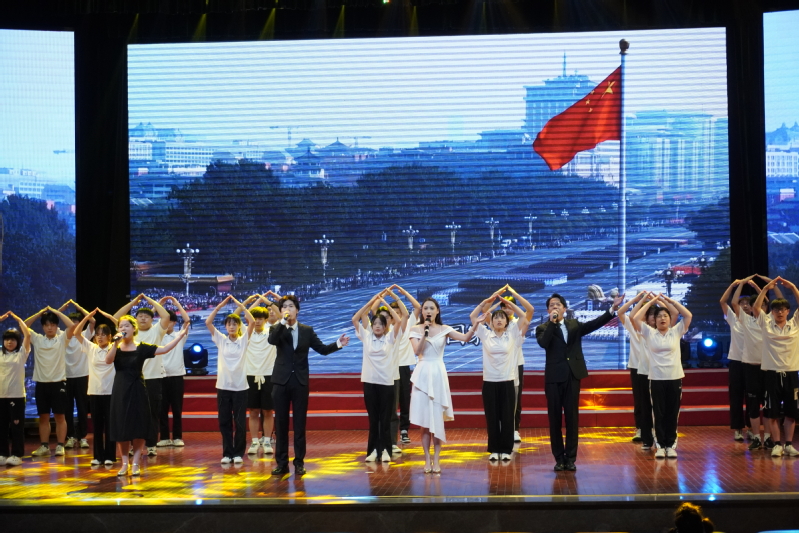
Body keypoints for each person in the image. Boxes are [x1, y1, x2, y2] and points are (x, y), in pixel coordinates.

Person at [536, 292, 622, 471]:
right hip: (553, 378)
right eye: (551, 305)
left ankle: (570, 458)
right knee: (554, 419)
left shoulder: (574, 324)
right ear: (548, 310)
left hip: (572, 375)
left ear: (565, 309)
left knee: (572, 418)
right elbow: (544, 343)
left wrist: (612, 308)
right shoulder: (542, 328)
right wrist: (552, 323)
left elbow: (594, 324)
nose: (555, 307)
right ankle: (559, 458)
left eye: (558, 305)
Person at [268, 294, 349, 476]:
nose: (288, 309)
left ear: (297, 310)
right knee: (280, 424)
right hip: (280, 382)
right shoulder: (276, 328)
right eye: (284, 307)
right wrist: (282, 322)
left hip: (300, 382)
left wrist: (338, 343)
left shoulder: (307, 330)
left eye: (291, 306)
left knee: (299, 424)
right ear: (281, 311)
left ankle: (299, 462)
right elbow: (272, 340)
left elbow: (322, 349)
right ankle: (281, 463)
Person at [108, 315, 188, 476]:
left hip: (138, 388)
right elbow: (108, 361)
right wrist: (115, 344)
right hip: (120, 390)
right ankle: (124, 463)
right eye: (121, 326)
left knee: (139, 426)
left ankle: (136, 463)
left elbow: (164, 349)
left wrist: (180, 336)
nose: (123, 329)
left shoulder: (142, 347)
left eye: (126, 326)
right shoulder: (115, 347)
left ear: (134, 328)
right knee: (121, 427)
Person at [409, 297, 475, 473]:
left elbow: (465, 338)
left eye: (432, 308)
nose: (428, 311)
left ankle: (437, 460)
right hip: (422, 374)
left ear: (437, 311)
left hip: (438, 373)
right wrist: (425, 333)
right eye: (425, 308)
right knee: (424, 421)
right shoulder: (415, 329)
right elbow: (417, 351)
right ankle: (427, 459)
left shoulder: (444, 329)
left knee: (437, 419)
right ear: (422, 311)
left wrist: (476, 325)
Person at [470, 289, 530, 461]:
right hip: (489, 382)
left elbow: (524, 317)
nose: (498, 320)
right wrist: (485, 302)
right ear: (491, 321)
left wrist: (509, 303)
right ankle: (494, 449)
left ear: (506, 321)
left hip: (507, 381)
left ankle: (506, 449)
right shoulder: (485, 334)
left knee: (507, 417)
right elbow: (473, 316)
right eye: (495, 317)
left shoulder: (512, 334)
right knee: (492, 417)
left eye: (502, 317)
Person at [633, 293, 692, 459]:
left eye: (665, 316)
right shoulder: (649, 333)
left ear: (670, 319)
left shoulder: (676, 331)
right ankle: (660, 445)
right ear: (655, 320)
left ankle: (670, 445)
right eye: (659, 316)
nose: (662, 319)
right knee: (658, 414)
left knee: (672, 413)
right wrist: (651, 301)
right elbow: (636, 318)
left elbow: (688, 315)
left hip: (674, 377)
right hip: (656, 378)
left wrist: (670, 301)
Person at [353, 291, 408, 462]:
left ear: (385, 327)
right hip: (370, 382)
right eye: (375, 323)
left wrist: (385, 303)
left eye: (380, 324)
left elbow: (398, 320)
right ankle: (372, 451)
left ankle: (386, 451)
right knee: (373, 419)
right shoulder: (367, 336)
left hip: (386, 383)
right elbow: (356, 318)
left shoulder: (391, 338)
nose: (377, 326)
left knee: (385, 419)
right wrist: (371, 302)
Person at [114, 293, 170, 457]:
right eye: (140, 316)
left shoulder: (157, 331)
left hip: (153, 379)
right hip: (132, 380)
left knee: (152, 413)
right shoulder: (130, 333)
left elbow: (166, 316)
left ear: (152, 319)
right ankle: (133, 445)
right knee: (131, 413)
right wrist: (133, 302)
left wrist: (151, 301)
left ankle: (151, 445)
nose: (143, 318)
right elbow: (116, 317)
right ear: (135, 320)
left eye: (147, 316)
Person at [752, 276, 799, 457]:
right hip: (771, 374)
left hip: (791, 373)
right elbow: (756, 308)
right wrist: (766, 288)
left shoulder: (795, 324)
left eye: (783, 309)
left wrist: (792, 287)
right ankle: (777, 444)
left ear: (788, 311)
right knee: (772, 413)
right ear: (771, 312)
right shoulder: (766, 324)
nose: (780, 312)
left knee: (791, 413)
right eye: (776, 310)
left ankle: (789, 444)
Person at [206, 295, 255, 465]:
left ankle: (238, 453)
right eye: (229, 324)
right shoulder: (221, 340)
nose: (232, 326)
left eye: (235, 324)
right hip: (223, 387)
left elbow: (252, 322)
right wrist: (219, 306)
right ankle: (227, 453)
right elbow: (208, 323)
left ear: (239, 326)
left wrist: (241, 305)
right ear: (226, 327)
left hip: (240, 387)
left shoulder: (243, 340)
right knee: (224, 422)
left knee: (240, 422)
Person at [734, 274, 778, 450]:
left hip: (767, 369)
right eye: (754, 306)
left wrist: (763, 288)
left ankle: (767, 437)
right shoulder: (746, 320)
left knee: (767, 406)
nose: (759, 308)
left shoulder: (770, 320)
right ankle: (757, 438)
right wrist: (741, 283)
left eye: (762, 305)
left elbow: (767, 301)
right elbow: (734, 303)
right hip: (750, 368)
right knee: (753, 406)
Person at [25, 306, 75, 457]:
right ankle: (44, 446)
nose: (49, 327)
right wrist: (39, 313)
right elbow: (24, 325)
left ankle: (60, 445)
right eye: (46, 325)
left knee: (60, 416)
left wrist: (57, 312)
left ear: (56, 326)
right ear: (43, 327)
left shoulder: (62, 339)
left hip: (58, 383)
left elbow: (72, 326)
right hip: (41, 384)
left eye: (52, 324)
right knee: (43, 417)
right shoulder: (38, 339)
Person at [73, 310, 117, 466]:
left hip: (111, 392)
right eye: (98, 334)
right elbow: (76, 333)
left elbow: (121, 329)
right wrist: (87, 317)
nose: (100, 337)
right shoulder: (91, 347)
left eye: (103, 334)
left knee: (110, 426)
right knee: (97, 426)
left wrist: (110, 317)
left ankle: (110, 456)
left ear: (110, 336)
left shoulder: (115, 348)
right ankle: (98, 456)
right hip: (94, 392)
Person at [244, 295, 280, 455]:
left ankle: (266, 441)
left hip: (269, 376)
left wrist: (268, 302)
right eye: (255, 319)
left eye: (260, 318)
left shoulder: (273, 332)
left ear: (266, 319)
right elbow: (241, 314)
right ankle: (254, 442)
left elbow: (282, 317)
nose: (257, 321)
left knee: (268, 411)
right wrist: (254, 301)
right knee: (253, 411)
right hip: (250, 375)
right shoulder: (246, 333)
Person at [59, 300, 95, 450]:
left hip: (82, 376)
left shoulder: (84, 335)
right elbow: (55, 319)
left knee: (82, 408)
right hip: (65, 376)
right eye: (71, 322)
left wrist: (79, 307)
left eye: (76, 322)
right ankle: (70, 437)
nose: (73, 325)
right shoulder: (62, 335)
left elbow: (92, 321)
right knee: (67, 408)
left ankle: (82, 437)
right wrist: (61, 310)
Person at [388, 285, 420, 446]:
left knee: (405, 399)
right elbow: (372, 311)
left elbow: (417, 307)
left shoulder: (409, 324)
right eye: (394, 313)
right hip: (390, 367)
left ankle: (404, 430)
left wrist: (403, 293)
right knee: (392, 400)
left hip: (405, 365)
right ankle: (391, 432)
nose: (398, 315)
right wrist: (381, 297)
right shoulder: (387, 328)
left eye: (399, 312)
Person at [157, 297, 191, 448]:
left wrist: (176, 303)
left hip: (176, 377)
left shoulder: (179, 336)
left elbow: (187, 320)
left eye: (170, 321)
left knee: (177, 409)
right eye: (165, 320)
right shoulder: (157, 336)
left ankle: (177, 437)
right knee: (162, 410)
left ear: (175, 323)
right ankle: (164, 437)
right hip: (161, 376)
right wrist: (159, 305)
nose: (167, 323)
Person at [0, 312, 31, 467]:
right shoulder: (0, 354)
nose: (9, 342)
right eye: (7, 339)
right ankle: (3, 453)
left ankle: (17, 454)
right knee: (1, 427)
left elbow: (28, 335)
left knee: (17, 427)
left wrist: (19, 320)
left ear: (17, 341)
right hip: (1, 396)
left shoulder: (21, 354)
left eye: (12, 339)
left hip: (17, 396)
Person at [720, 280, 749, 442]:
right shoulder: (733, 318)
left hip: (753, 363)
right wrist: (732, 286)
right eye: (742, 303)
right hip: (736, 362)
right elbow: (723, 302)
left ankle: (751, 428)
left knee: (752, 398)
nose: (745, 306)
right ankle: (738, 429)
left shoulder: (758, 320)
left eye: (748, 303)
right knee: (736, 396)